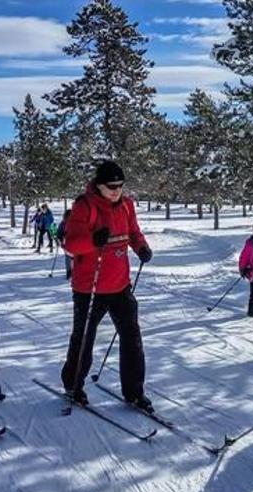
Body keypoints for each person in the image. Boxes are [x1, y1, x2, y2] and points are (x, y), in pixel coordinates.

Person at [60, 159, 154, 411]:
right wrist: (92, 240)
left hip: (120, 285)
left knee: (132, 337)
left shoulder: (126, 205)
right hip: (89, 288)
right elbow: (70, 244)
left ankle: (134, 392)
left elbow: (133, 232)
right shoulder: (85, 206)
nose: (116, 190)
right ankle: (73, 385)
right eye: (111, 186)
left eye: (120, 185)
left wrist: (142, 247)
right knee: (84, 339)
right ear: (99, 185)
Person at [56, 209, 74, 279]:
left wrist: (60, 240)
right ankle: (70, 272)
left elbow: (59, 233)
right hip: (68, 242)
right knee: (72, 258)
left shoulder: (64, 223)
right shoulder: (64, 223)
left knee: (69, 258)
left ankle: (70, 272)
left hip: (67, 242)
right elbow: (59, 233)